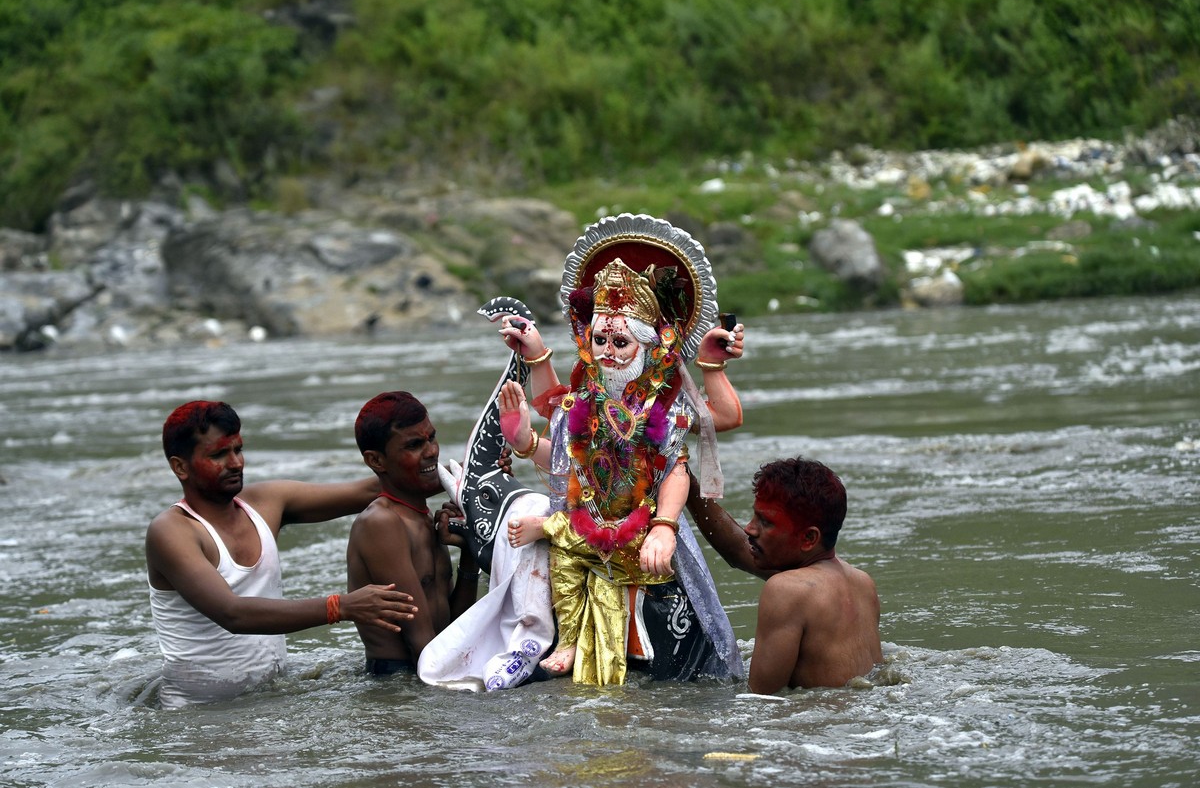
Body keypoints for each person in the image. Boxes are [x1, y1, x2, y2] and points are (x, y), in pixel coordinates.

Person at [493, 214, 746, 686]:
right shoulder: (583, 402)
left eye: (621, 341)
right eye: (601, 339)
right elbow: (566, 456)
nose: (608, 350)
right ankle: (563, 643)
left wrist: (711, 366)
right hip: (582, 537)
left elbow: (690, 455)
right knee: (555, 559)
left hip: (646, 540)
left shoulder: (663, 408)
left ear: (650, 347)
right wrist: (525, 440)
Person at [146, 400, 417, 710]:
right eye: (219, 455)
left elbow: (376, 490)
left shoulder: (266, 502)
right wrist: (340, 607)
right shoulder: (171, 531)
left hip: (269, 700)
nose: (235, 463)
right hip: (195, 716)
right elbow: (232, 613)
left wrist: (463, 476)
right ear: (180, 466)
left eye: (239, 449)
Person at [684, 457, 883, 693]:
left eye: (766, 522)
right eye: (755, 515)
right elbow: (738, 549)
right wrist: (686, 481)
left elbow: (760, 700)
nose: (750, 528)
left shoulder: (786, 591)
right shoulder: (862, 582)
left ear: (809, 538)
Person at [346, 391, 482, 675]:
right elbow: (422, 645)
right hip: (398, 683)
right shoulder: (381, 523)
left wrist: (470, 551)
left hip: (426, 671)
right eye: (414, 444)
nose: (431, 451)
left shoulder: (422, 518)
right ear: (376, 461)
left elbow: (455, 629)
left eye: (431, 438)